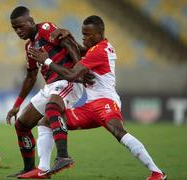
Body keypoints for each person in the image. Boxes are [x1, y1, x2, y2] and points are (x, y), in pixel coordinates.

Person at [26, 15, 167, 180]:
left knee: (118, 132)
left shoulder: (99, 51)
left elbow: (71, 74)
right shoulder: (100, 47)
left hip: (105, 102)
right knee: (46, 121)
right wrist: (68, 35)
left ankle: (157, 172)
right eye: (83, 34)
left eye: (88, 35)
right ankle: (43, 169)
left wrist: (47, 61)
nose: (84, 38)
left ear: (100, 33)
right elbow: (81, 50)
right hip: (89, 106)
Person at [5, 6, 94, 178]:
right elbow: (31, 77)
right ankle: (31, 168)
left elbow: (69, 43)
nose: (18, 31)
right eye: (14, 28)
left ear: (31, 21)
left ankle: (63, 156)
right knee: (21, 125)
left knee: (52, 108)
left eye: (21, 26)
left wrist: (79, 69)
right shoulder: (29, 47)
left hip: (69, 80)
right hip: (51, 86)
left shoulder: (46, 29)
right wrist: (17, 105)